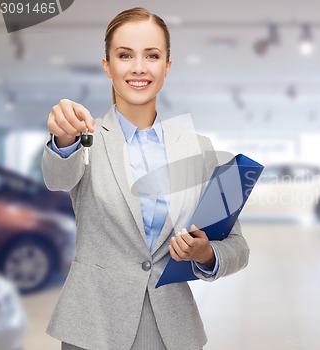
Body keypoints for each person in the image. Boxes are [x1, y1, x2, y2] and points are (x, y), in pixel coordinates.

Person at [41, 7, 249, 350]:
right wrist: (63, 140)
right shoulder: (85, 135)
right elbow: (58, 178)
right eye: (125, 55)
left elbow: (238, 247)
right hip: (93, 327)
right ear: (107, 64)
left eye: (151, 55)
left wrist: (206, 252)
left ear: (167, 65)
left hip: (173, 327)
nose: (139, 67)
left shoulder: (198, 148)